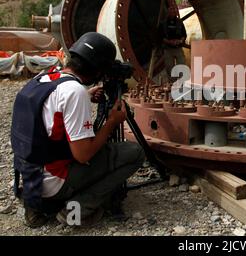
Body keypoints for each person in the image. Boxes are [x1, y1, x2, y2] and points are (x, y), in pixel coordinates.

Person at [11, 32, 145, 228]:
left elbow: (50, 111)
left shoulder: (45, 77)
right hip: (53, 180)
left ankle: (37, 206)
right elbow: (83, 155)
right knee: (134, 153)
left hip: (30, 174)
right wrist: (111, 123)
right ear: (99, 70)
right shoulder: (74, 92)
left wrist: (84, 93)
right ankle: (75, 210)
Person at [158, 7, 187, 82]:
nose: (172, 11)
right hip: (168, 49)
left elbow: (184, 34)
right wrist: (169, 42)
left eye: (173, 10)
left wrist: (180, 41)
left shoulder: (179, 22)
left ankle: (182, 82)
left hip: (178, 48)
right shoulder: (163, 23)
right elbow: (160, 37)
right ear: (168, 12)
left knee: (182, 65)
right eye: (170, 10)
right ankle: (172, 83)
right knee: (169, 67)